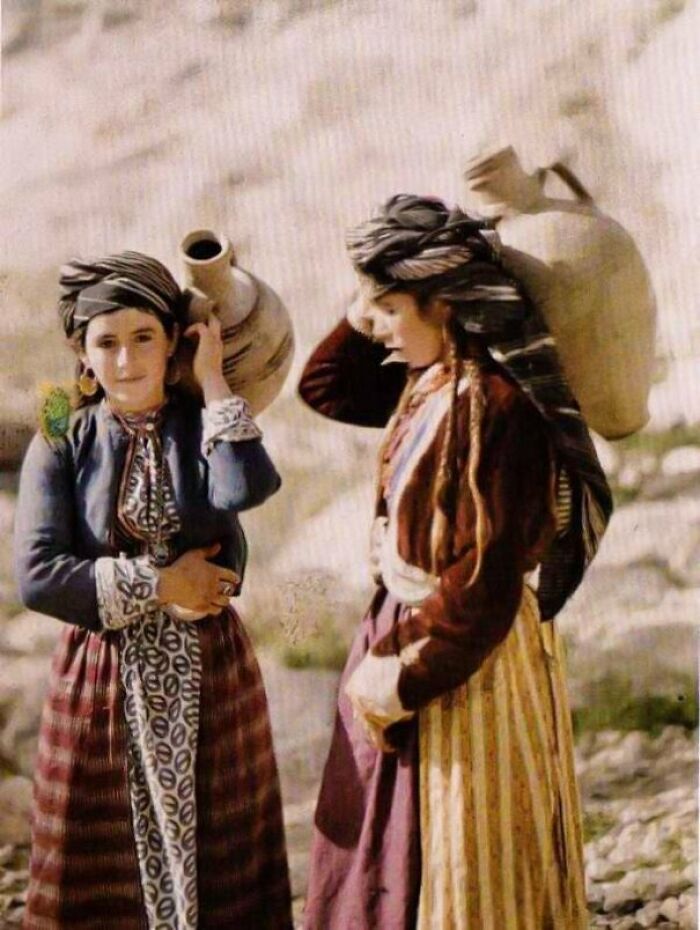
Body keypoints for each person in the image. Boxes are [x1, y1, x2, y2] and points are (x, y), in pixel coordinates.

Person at [298, 195, 613, 929]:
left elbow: (485, 581)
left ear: (446, 306)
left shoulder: (498, 407)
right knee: (388, 844)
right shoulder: (428, 377)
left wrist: (403, 675)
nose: (375, 325)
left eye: (390, 309)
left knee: (468, 859)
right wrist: (372, 290)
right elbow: (326, 386)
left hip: (468, 655)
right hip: (416, 627)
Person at [14, 252, 293, 930]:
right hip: (103, 679)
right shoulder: (62, 437)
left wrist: (213, 383)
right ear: (82, 353)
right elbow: (38, 573)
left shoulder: (201, 425)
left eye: (145, 337)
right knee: (102, 861)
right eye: (106, 342)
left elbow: (242, 489)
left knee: (222, 854)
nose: (126, 359)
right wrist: (161, 581)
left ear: (173, 342)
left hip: (211, 669)